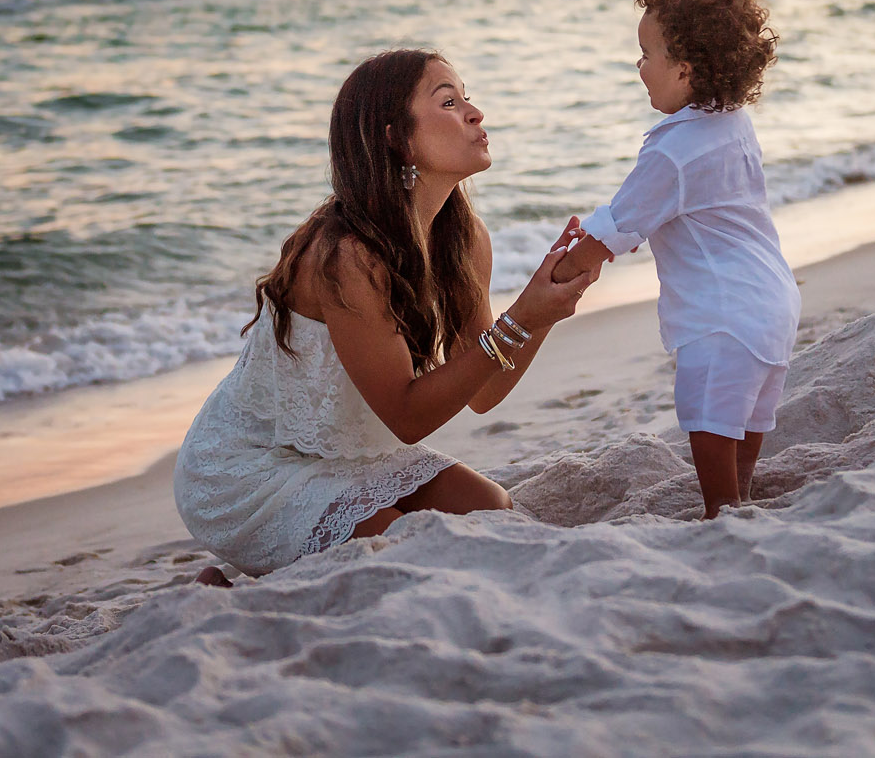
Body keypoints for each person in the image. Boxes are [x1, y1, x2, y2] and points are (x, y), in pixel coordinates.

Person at [172, 48, 598, 582]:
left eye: (467, 97)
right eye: (448, 101)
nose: (475, 112)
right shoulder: (347, 254)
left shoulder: (465, 239)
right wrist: (519, 320)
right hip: (248, 469)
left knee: (491, 510)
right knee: (394, 549)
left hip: (349, 452)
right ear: (395, 138)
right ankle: (221, 588)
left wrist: (542, 310)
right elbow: (408, 417)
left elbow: (484, 393)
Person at [551, 0, 800, 519]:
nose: (638, 67)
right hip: (773, 300)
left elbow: (621, 222)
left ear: (684, 70)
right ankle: (740, 497)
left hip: (723, 312)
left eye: (645, 54)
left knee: (711, 418)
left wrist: (565, 268)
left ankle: (722, 513)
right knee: (745, 420)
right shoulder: (733, 124)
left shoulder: (672, 151)